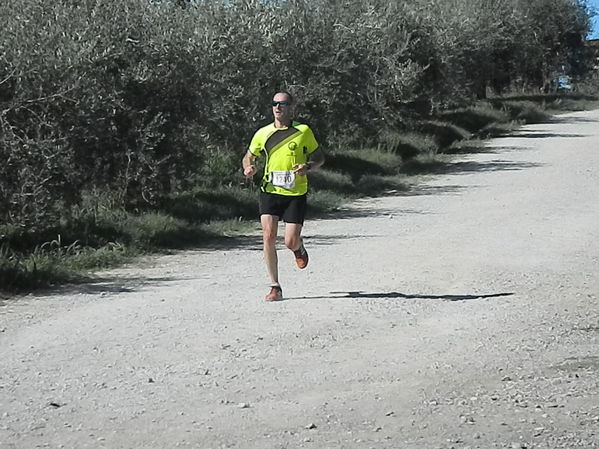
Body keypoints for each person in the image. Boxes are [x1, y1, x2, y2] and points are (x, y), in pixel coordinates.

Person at [242, 91, 325, 301]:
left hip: (295, 192)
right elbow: (248, 155)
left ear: (291, 107)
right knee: (268, 235)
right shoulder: (263, 133)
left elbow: (319, 158)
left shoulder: (303, 131)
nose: (278, 107)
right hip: (269, 190)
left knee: (289, 240)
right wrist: (248, 167)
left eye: (283, 103)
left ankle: (298, 248)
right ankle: (274, 286)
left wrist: (308, 166)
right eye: (274, 103)